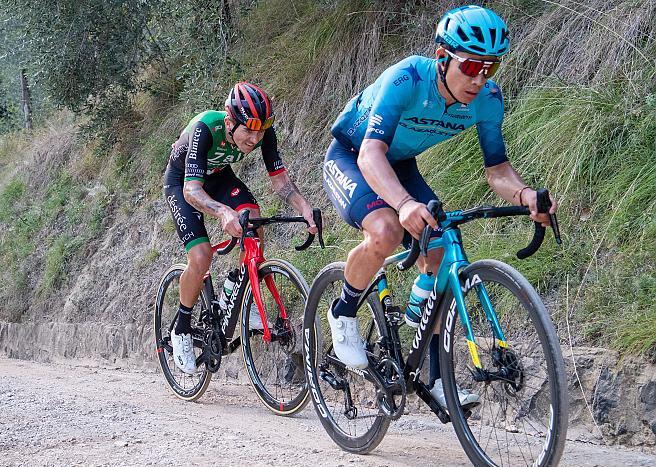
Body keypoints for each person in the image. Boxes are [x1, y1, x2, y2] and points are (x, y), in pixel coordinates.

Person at [322, 5, 556, 407]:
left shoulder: (487, 99)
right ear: (442, 58)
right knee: (386, 230)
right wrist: (404, 203)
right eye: (470, 66)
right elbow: (370, 155)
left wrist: (526, 196)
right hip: (352, 154)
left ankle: (430, 367)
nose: (479, 79)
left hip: (400, 163)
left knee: (441, 250)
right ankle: (342, 312)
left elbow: (497, 168)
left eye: (490, 68)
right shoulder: (408, 78)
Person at [164, 82, 317, 374]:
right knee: (201, 257)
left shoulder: (263, 132)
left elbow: (281, 182)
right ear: (229, 121)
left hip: (220, 177)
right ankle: (181, 328)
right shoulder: (206, 128)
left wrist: (305, 209)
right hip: (183, 182)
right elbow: (191, 191)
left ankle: (237, 287)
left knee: (253, 221)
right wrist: (222, 212)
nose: (255, 138)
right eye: (248, 130)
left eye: (260, 131)